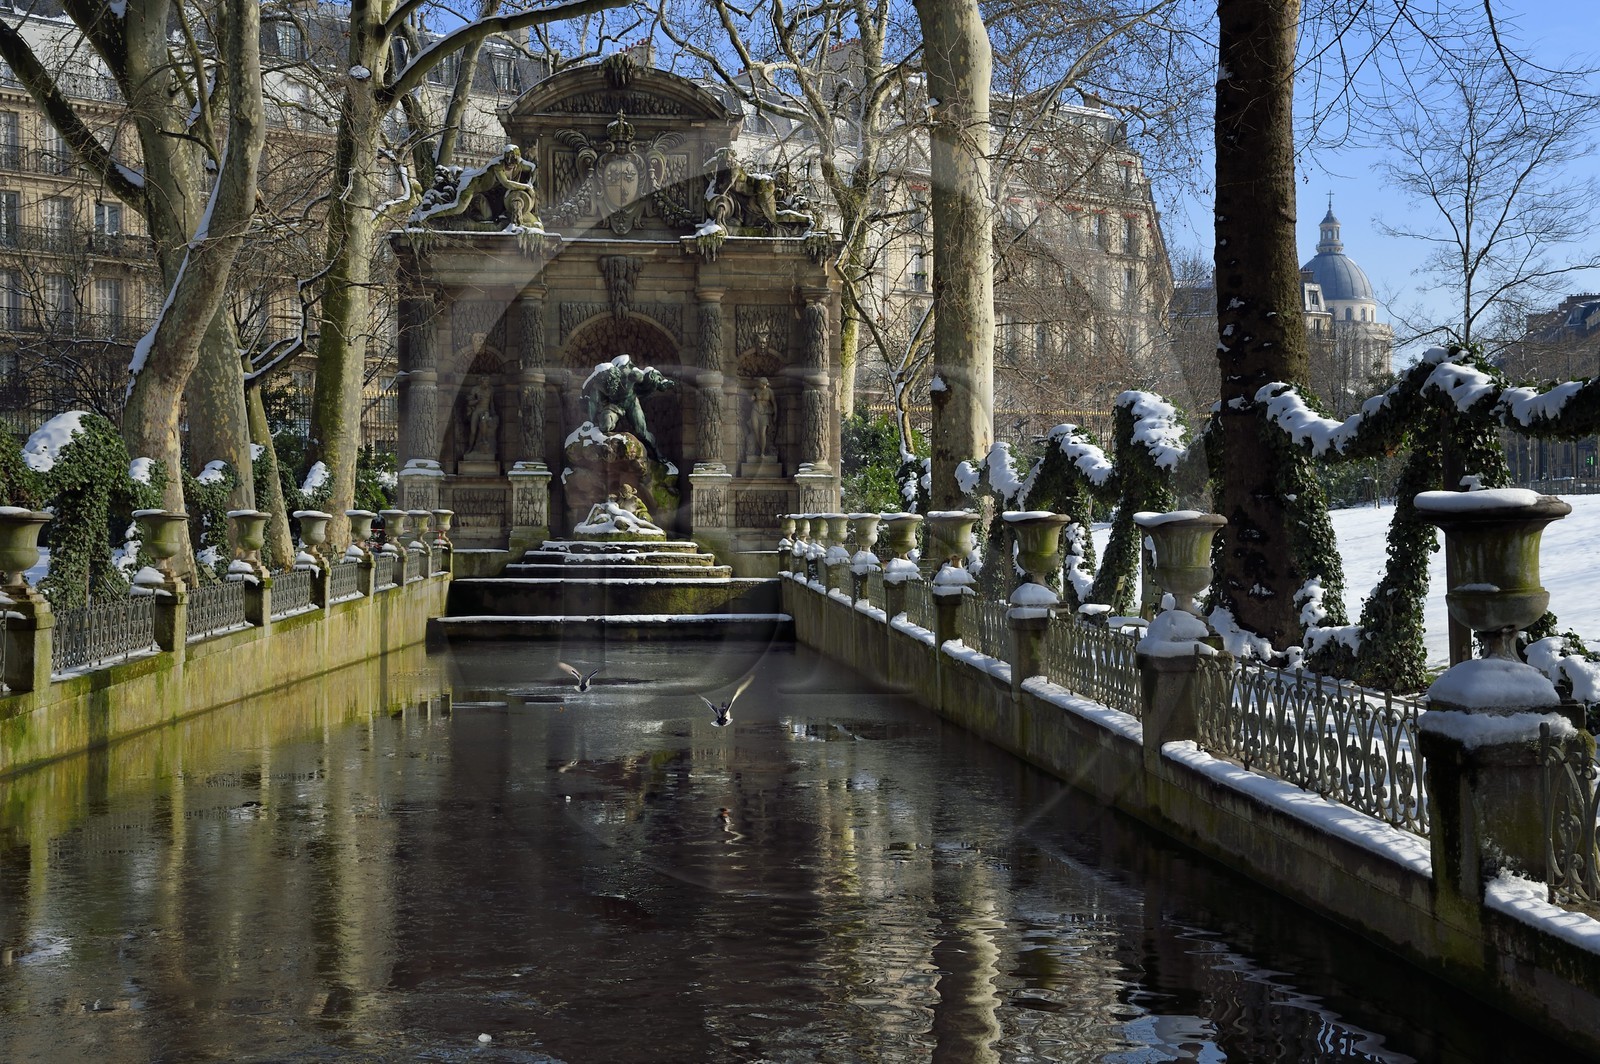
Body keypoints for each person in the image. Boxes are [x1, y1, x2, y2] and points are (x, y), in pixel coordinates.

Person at [748, 376, 777, 457]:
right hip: (755, 411)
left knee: (763, 433)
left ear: (764, 384)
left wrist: (775, 414)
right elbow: (750, 400)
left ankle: (762, 452)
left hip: (765, 413)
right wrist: (751, 398)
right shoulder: (755, 390)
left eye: (760, 383)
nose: (758, 384)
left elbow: (774, 403)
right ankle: (760, 448)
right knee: (755, 431)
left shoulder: (770, 391)